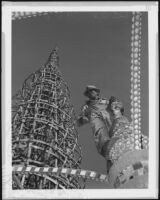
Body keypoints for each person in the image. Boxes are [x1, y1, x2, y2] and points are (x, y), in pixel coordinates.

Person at [77, 85, 112, 172]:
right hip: (98, 125)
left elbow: (116, 110)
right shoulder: (86, 107)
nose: (90, 93)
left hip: (109, 122)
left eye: (92, 91)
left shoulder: (105, 101)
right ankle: (110, 160)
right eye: (88, 92)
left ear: (97, 92)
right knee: (104, 142)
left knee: (116, 138)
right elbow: (80, 120)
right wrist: (82, 119)